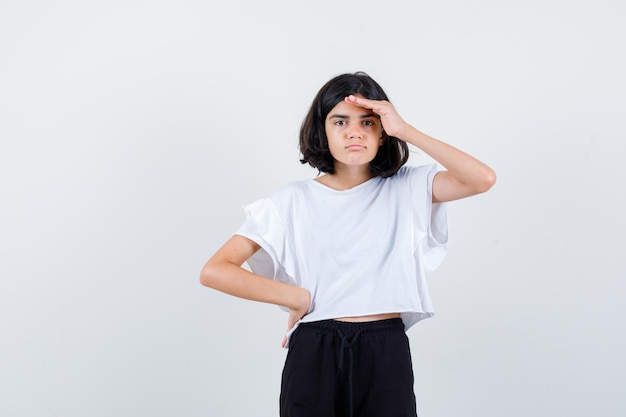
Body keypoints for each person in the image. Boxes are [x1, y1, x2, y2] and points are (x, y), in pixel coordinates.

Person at [200, 71, 496, 417]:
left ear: (384, 131)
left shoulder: (408, 187)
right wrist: (295, 296)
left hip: (384, 348)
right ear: (321, 131)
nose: (354, 131)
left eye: (368, 122)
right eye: (340, 121)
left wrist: (405, 130)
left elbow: (481, 178)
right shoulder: (292, 200)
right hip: (315, 348)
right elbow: (215, 270)